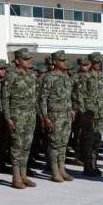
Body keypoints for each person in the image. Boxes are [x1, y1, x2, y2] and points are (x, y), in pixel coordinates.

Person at [2, 48, 38, 189]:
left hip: (30, 115)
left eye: (29, 59)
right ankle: (16, 177)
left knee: (26, 146)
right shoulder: (11, 76)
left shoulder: (31, 75)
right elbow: (5, 99)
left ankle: (23, 175)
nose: (28, 61)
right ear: (17, 60)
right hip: (17, 116)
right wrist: (8, 118)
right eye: (25, 59)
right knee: (17, 146)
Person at [38, 50, 75, 183]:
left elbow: (68, 97)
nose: (64, 63)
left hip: (65, 115)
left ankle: (62, 168)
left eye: (65, 60)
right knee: (54, 144)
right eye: (62, 60)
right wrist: (45, 117)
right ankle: (54, 171)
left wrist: (70, 110)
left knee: (63, 144)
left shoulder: (65, 77)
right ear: (55, 62)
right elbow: (43, 99)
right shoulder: (49, 77)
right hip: (54, 116)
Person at [75, 51, 103, 177]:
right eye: (95, 62)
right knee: (88, 140)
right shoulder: (85, 77)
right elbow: (80, 95)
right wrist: (83, 112)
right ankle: (87, 166)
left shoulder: (101, 76)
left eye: (99, 62)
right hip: (89, 113)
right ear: (90, 63)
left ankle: (94, 164)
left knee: (97, 140)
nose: (97, 64)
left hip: (99, 113)